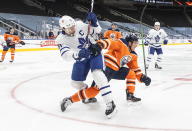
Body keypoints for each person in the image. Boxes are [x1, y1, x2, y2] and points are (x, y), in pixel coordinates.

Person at [61, 35, 151, 114]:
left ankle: (130, 95)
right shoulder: (121, 44)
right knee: (94, 91)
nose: (136, 45)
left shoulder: (133, 55)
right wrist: (100, 45)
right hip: (106, 67)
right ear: (130, 42)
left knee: (131, 74)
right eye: (135, 42)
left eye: (137, 43)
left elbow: (135, 69)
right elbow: (110, 42)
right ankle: (69, 100)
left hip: (116, 70)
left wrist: (142, 77)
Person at [55, 13, 117, 118]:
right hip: (81, 58)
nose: (73, 29)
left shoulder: (80, 25)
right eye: (70, 28)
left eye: (73, 26)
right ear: (63, 29)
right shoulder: (60, 39)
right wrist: (77, 54)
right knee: (75, 83)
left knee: (98, 76)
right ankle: (87, 94)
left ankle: (110, 103)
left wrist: (95, 22)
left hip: (94, 53)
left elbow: (98, 31)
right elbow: (65, 55)